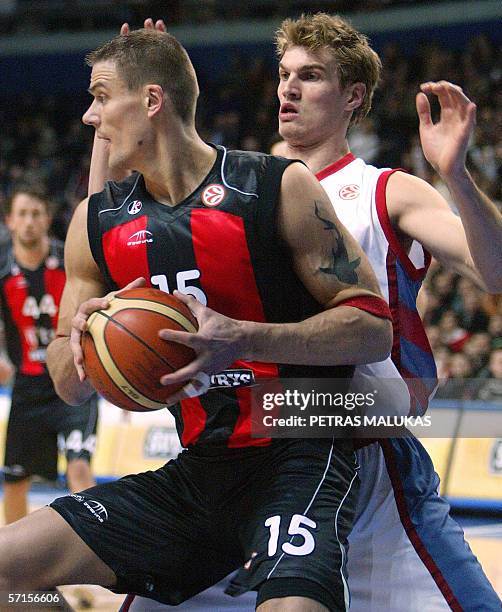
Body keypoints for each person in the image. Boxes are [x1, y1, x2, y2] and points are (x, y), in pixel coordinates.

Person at [0, 29, 393, 612]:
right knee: (10, 575)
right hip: (197, 471)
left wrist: (241, 340)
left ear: (152, 101)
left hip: (297, 455)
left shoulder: (274, 186)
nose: (89, 116)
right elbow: (64, 377)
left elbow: (371, 325)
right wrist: (79, 343)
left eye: (103, 96)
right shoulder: (96, 223)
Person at [275, 13, 502, 611]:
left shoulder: (385, 190)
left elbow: (497, 271)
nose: (288, 88)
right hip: (264, 466)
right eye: (284, 74)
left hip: (369, 464)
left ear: (353, 97)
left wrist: (455, 174)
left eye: (310, 75)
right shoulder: (246, 190)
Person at [0, 187, 97, 524]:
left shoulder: (69, 262)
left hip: (74, 381)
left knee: (80, 469)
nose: (29, 222)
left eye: (36, 214)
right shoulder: (3, 269)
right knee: (14, 482)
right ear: (9, 221)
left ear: (47, 219)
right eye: (22, 214)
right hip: (28, 388)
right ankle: (14, 567)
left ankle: (91, 567)